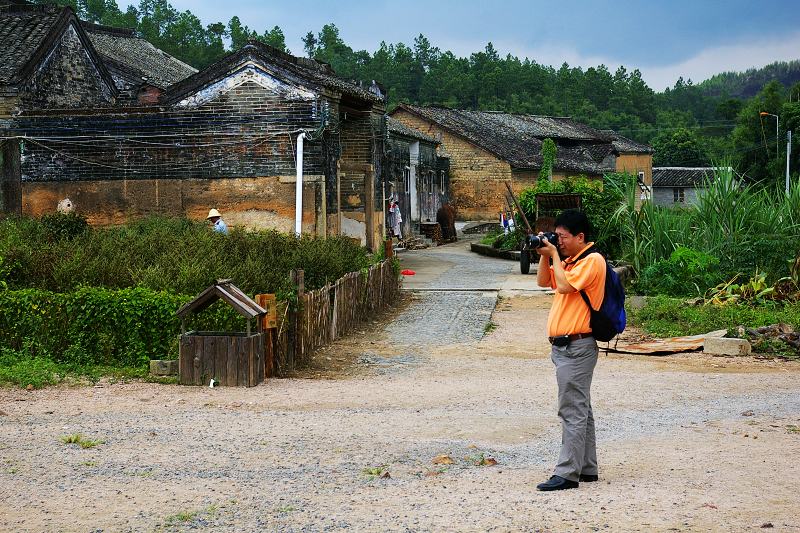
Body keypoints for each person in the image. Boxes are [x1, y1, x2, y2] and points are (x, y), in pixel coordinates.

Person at [535, 209, 606, 491]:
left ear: (580, 236)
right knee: (581, 408)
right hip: (566, 346)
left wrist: (554, 255)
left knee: (571, 410)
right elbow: (544, 282)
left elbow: (563, 287)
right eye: (557, 236)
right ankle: (587, 467)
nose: (559, 241)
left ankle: (567, 473)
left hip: (577, 345)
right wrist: (544, 254)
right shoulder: (572, 261)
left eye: (563, 237)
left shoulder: (593, 260)